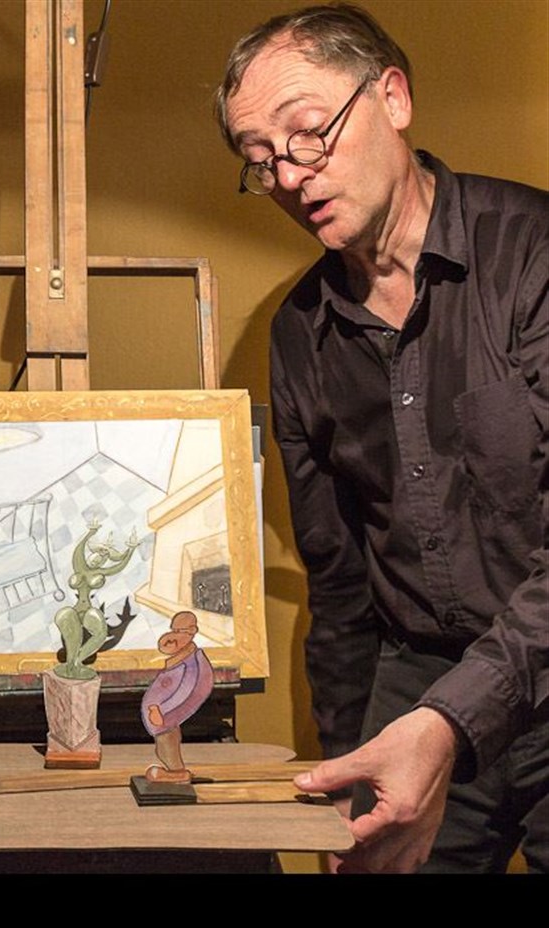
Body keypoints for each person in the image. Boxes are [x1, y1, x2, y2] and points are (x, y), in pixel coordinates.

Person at [216, 3, 547, 873]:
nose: (291, 175)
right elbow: (340, 581)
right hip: (420, 679)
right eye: (262, 159)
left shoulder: (533, 256)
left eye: (308, 133)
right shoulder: (301, 333)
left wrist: (450, 718)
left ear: (392, 97)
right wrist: (346, 767)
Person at [141, 610, 214, 783]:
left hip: (166, 719)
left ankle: (177, 774)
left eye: (178, 631)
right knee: (162, 748)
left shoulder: (192, 664)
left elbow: (185, 691)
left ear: (192, 632)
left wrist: (162, 710)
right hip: (161, 721)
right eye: (173, 630)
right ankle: (175, 773)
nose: (172, 636)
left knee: (167, 745)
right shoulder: (180, 659)